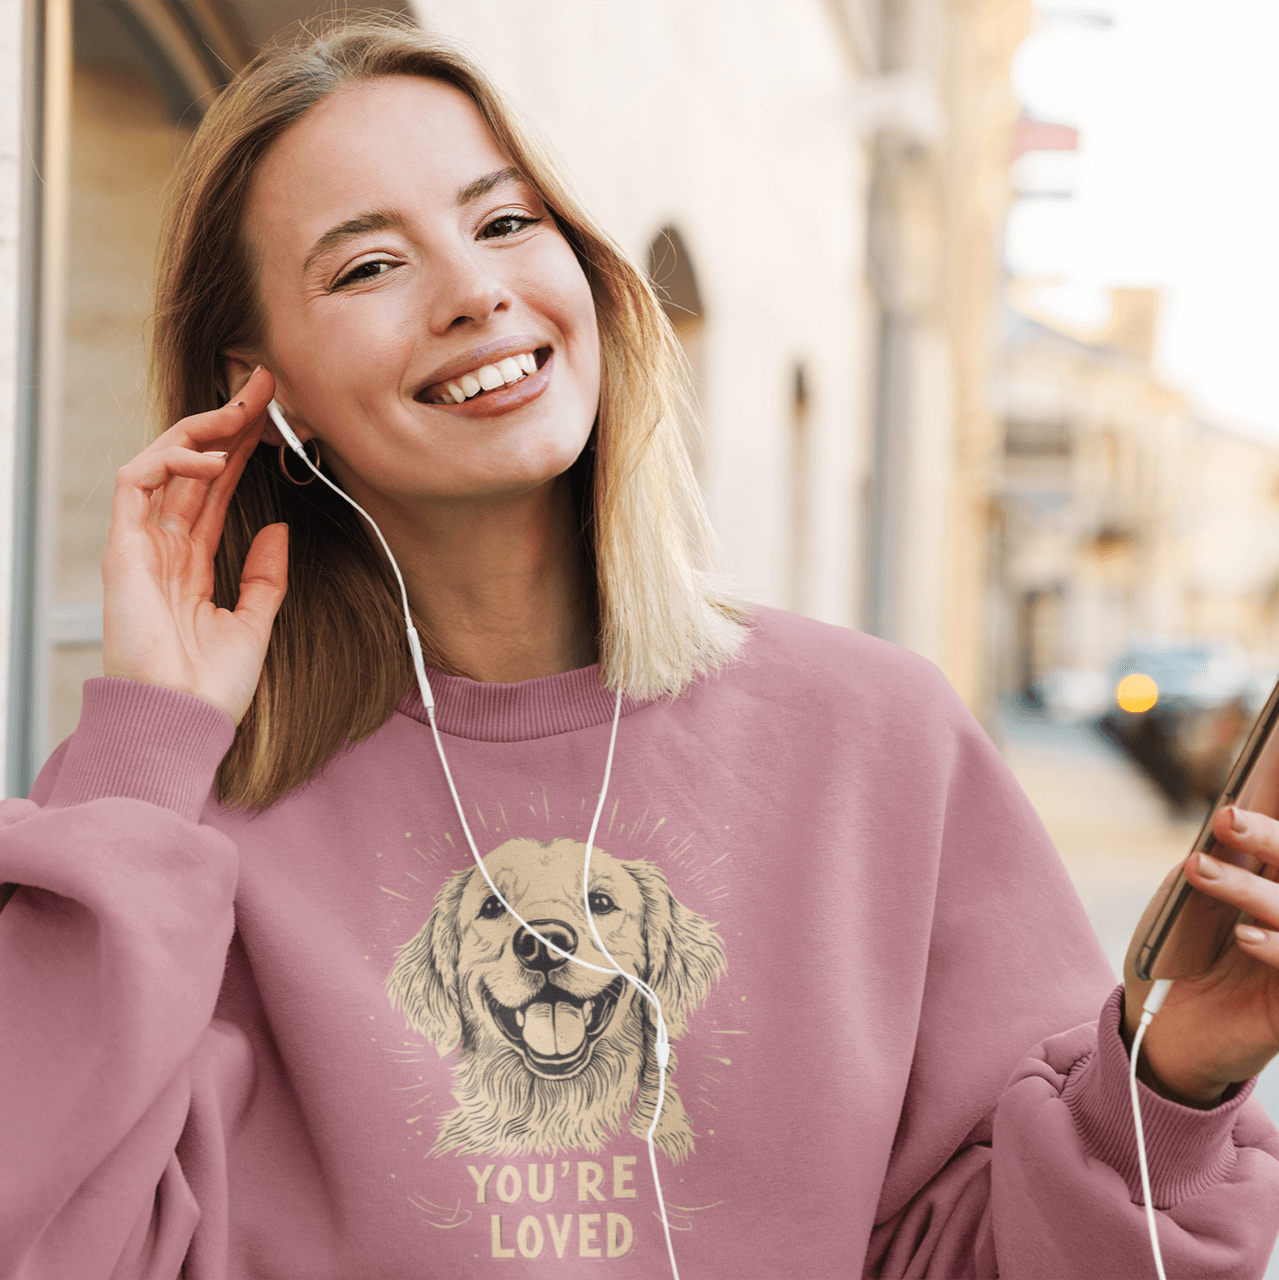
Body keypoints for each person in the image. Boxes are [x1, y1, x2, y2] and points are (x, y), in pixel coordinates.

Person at [3, 17, 1279, 1279]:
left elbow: (994, 1256)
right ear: (258, 383)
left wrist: (1170, 1083)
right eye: (367, 266)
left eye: (506, 222)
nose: (475, 291)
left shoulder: (874, 740)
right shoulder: (175, 820)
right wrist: (146, 737)